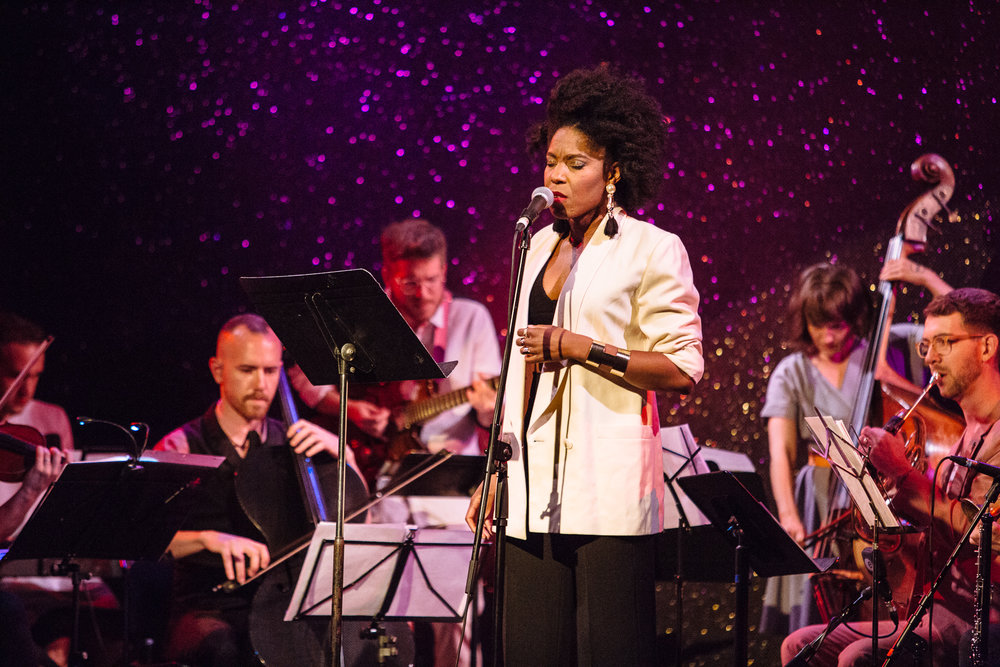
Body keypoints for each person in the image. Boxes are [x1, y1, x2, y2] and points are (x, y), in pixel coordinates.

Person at [465, 64, 703, 665]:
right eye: (552, 161)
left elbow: (684, 367)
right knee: (528, 650)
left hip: (609, 491)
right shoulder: (536, 243)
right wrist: (495, 472)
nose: (558, 175)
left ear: (613, 171)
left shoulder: (653, 247)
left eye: (577, 163)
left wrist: (583, 348)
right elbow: (520, 368)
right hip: (529, 487)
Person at [289, 218, 501, 666]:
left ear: (445, 272)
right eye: (409, 284)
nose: (423, 294)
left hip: (451, 495)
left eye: (431, 280)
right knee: (378, 614)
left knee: (458, 619)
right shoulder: (365, 318)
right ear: (387, 275)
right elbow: (304, 382)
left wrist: (486, 406)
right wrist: (352, 410)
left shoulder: (470, 318)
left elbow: (490, 413)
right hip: (380, 488)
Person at [781, 287, 1000, 665]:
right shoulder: (965, 436)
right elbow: (942, 536)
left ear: (986, 347)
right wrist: (879, 510)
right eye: (926, 346)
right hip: (934, 608)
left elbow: (984, 535)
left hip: (980, 618)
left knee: (857, 657)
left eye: (944, 342)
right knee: (798, 646)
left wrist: (901, 472)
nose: (930, 356)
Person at [155, 313, 367, 666]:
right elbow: (145, 541)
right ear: (218, 370)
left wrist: (344, 456)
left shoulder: (294, 442)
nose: (261, 384)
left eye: (271, 372)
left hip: (283, 601)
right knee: (221, 648)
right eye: (247, 370)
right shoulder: (181, 445)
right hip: (209, 604)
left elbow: (355, 525)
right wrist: (209, 539)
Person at [760, 260, 952, 635]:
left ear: (855, 319)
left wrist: (926, 277)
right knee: (813, 618)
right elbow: (780, 453)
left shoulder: (888, 348)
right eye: (819, 326)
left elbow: (960, 330)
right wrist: (788, 514)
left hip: (880, 497)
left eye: (838, 325)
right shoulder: (792, 372)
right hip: (819, 499)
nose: (829, 337)